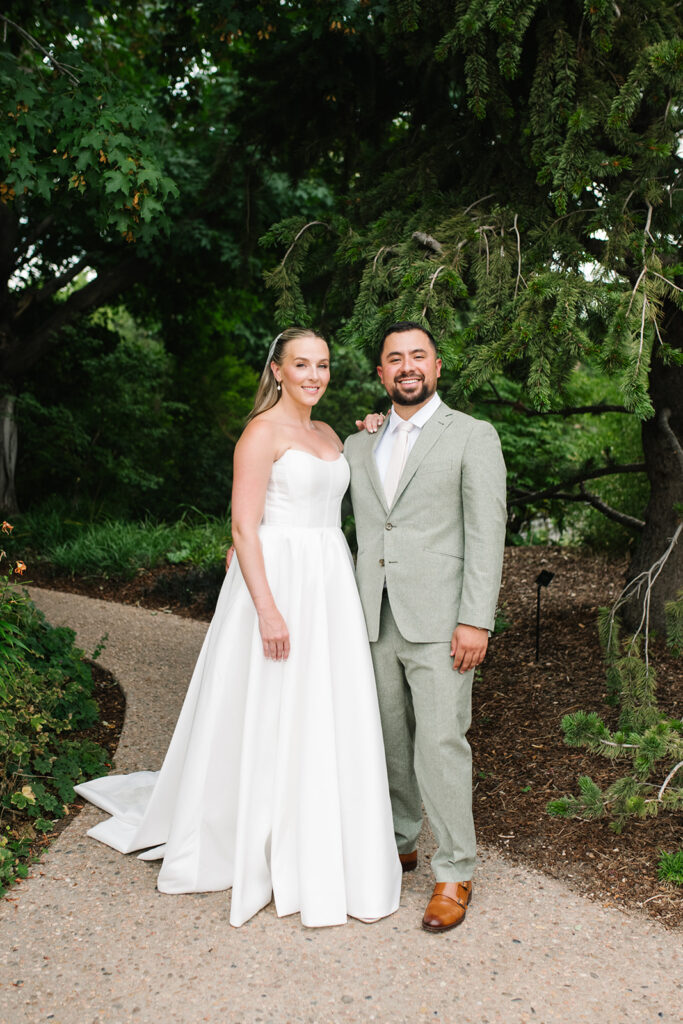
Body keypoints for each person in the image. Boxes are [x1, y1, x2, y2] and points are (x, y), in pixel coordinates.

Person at [75, 327, 401, 929]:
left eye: (323, 365)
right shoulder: (260, 434)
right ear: (277, 370)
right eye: (301, 364)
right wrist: (269, 609)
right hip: (276, 579)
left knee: (320, 706)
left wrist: (373, 433)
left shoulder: (330, 433)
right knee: (269, 704)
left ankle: (316, 825)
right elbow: (244, 529)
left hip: (329, 579)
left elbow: (346, 485)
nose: (314, 375)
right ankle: (256, 834)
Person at [344, 320, 506, 933]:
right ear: (381, 373)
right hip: (370, 617)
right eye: (394, 358)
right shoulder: (360, 443)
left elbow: (486, 533)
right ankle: (400, 840)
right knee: (386, 737)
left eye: (419, 356)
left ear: (437, 367)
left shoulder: (472, 436)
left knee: (441, 742)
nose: (407, 366)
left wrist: (475, 619)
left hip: (443, 621)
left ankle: (456, 870)